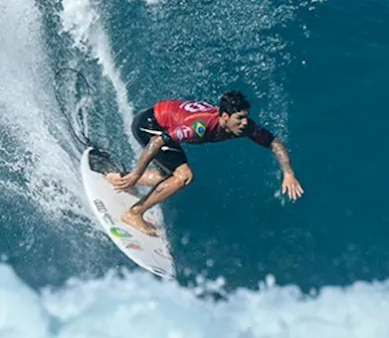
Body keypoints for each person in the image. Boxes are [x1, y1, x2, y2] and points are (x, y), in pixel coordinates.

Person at [106, 90, 304, 235]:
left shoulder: (245, 128)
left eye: (246, 117)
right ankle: (134, 213)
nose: (245, 123)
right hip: (150, 125)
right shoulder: (200, 127)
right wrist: (137, 173)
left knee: (166, 176)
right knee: (184, 176)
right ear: (224, 117)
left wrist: (288, 172)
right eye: (240, 118)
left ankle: (119, 178)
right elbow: (157, 141)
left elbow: (274, 143)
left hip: (157, 120)